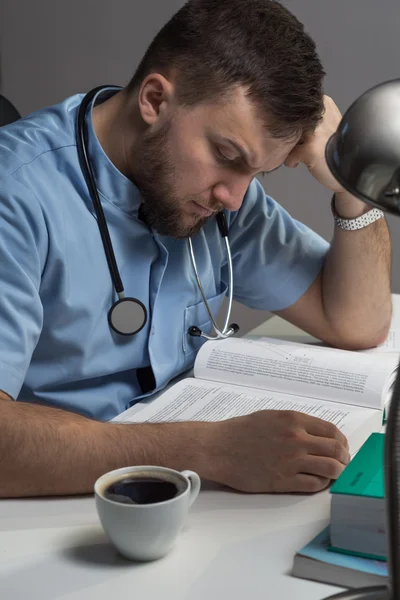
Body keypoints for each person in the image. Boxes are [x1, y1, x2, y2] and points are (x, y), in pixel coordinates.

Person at [0, 0, 392, 499]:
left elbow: (358, 322)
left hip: (185, 502)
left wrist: (350, 185)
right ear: (155, 100)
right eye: (227, 156)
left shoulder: (222, 200)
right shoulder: (14, 194)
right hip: (50, 513)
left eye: (257, 172)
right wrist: (206, 451)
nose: (234, 196)